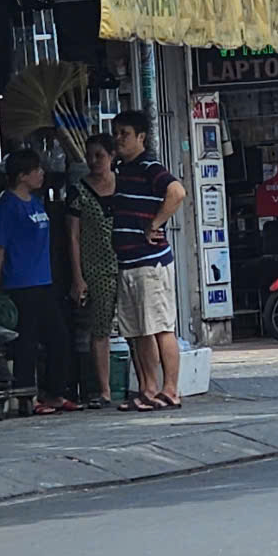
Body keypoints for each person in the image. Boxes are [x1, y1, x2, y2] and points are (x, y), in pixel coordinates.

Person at [109, 110, 184, 411]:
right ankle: (147, 388)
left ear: (140, 137)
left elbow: (177, 192)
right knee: (138, 330)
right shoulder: (122, 169)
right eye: (116, 133)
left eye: (124, 133)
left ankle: (170, 389)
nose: (119, 139)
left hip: (149, 261)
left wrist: (157, 223)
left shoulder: (150, 166)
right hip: (128, 261)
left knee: (160, 326)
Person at [0, 150, 77, 415]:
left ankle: (54, 392)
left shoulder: (36, 202)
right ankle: (27, 395)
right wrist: (2, 280)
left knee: (58, 337)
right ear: (22, 176)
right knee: (26, 341)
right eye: (36, 170)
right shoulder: (8, 205)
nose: (41, 174)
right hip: (20, 283)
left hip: (44, 280)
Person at [65, 133, 122, 409]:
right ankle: (104, 389)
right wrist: (78, 277)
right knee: (99, 329)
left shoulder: (123, 185)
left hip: (126, 262)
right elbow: (73, 236)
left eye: (100, 155)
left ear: (112, 156)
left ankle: (146, 384)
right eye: (90, 156)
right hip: (95, 269)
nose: (94, 161)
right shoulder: (79, 191)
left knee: (137, 328)